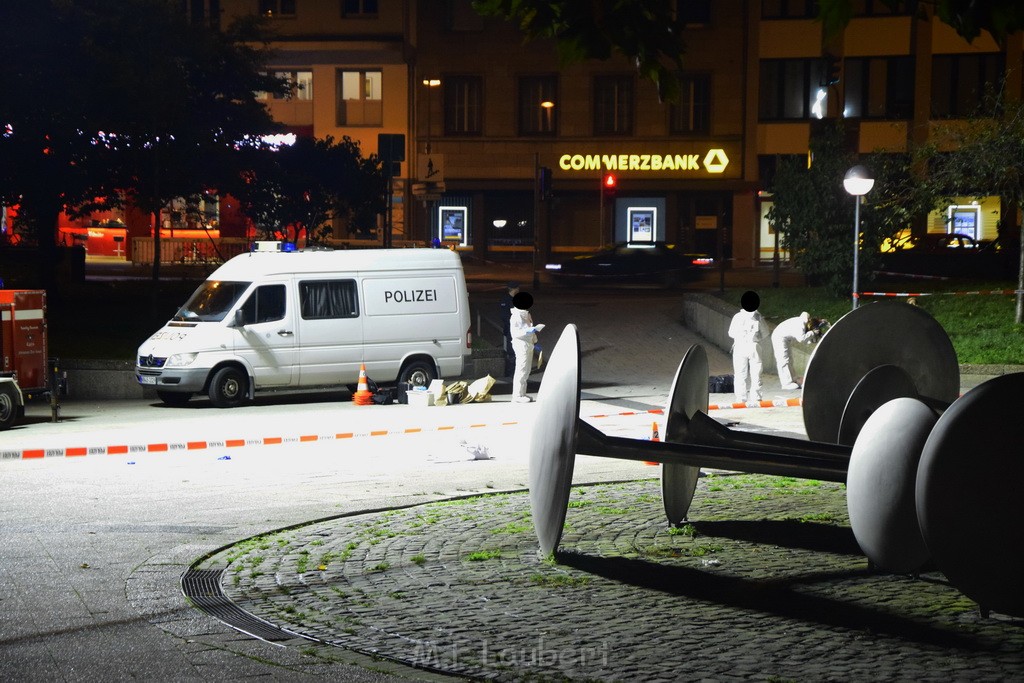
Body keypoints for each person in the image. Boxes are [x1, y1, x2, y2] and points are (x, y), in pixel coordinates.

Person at [728, 290, 768, 404]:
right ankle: (756, 397)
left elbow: (730, 333)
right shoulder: (758, 317)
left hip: (739, 346)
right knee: (756, 372)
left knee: (740, 373)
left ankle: (741, 398)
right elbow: (765, 333)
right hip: (754, 346)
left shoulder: (737, 317)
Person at [770, 311, 822, 390]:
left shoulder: (800, 322)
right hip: (779, 337)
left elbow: (805, 338)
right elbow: (801, 339)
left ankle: (793, 379)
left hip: (784, 338)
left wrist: (812, 335)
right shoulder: (800, 324)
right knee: (783, 360)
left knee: (789, 359)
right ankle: (786, 383)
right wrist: (812, 333)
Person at [509, 291, 544, 403]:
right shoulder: (515, 316)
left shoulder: (526, 314)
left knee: (527, 369)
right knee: (521, 369)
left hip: (528, 344)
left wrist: (535, 342)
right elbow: (515, 333)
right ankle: (517, 395)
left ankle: (522, 393)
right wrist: (528, 331)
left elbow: (530, 329)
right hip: (521, 344)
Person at [499, 282, 519, 378]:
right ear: (515, 289)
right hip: (510, 330)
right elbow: (504, 316)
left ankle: (515, 372)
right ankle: (510, 374)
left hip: (518, 330)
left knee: (517, 352)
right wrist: (513, 324)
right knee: (511, 352)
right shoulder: (505, 300)